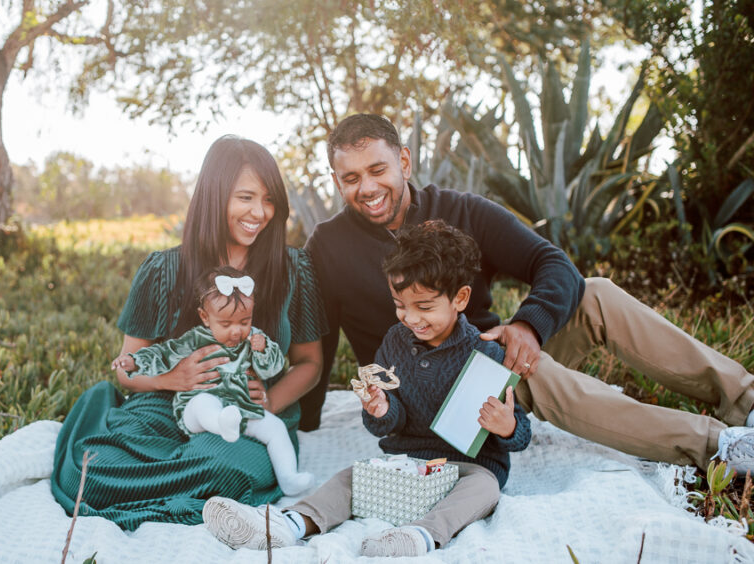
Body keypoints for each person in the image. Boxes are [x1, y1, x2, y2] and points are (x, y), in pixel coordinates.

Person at [298, 113, 754, 473]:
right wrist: (304, 421)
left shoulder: (461, 209)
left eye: (377, 169)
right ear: (337, 181)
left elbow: (554, 265)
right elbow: (318, 339)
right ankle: (717, 445)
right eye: (350, 178)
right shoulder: (327, 244)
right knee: (525, 371)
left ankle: (745, 400)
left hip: (483, 350)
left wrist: (526, 325)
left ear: (405, 161)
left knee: (594, 293)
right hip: (424, 395)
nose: (367, 188)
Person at [203, 220, 531, 557]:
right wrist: (382, 410)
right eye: (400, 305)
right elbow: (387, 421)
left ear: (460, 298)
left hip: (467, 469)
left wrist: (507, 427)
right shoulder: (395, 342)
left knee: (486, 488)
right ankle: (290, 524)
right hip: (408, 465)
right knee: (350, 478)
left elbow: (521, 434)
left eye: (425, 307)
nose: (411, 318)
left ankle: (419, 537)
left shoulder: (486, 354)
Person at [51, 136, 328, 528]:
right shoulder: (163, 269)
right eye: (245, 197)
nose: (260, 212)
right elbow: (125, 371)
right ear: (215, 197)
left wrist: (266, 402)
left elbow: (310, 363)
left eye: (269, 200)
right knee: (93, 470)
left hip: (247, 414)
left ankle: (165, 492)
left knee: (220, 466)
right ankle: (176, 497)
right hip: (169, 406)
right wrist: (172, 378)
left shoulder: (294, 269)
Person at [114, 266, 315, 495]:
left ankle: (288, 477)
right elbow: (164, 354)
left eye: (244, 321)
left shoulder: (252, 339)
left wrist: (264, 349)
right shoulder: (195, 339)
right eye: (226, 324)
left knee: (275, 428)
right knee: (203, 404)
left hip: (241, 407)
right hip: (196, 409)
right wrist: (135, 361)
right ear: (205, 317)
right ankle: (220, 423)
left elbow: (273, 368)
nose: (236, 331)